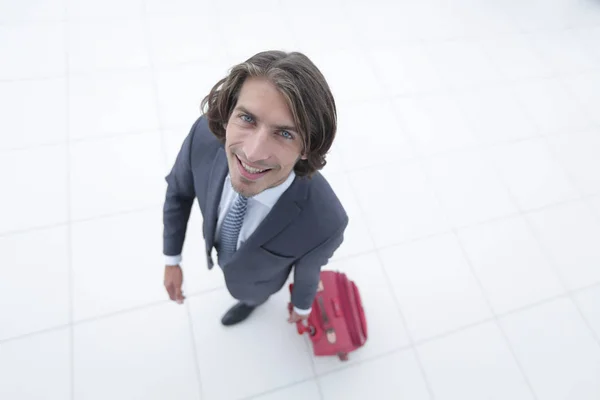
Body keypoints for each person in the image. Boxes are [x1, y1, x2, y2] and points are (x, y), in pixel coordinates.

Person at [162, 50, 348, 326]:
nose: (252, 153)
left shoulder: (326, 221)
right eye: (247, 118)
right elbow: (178, 192)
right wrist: (172, 258)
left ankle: (251, 303)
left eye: (285, 133)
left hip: (257, 285)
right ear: (228, 114)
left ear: (308, 147)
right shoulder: (201, 138)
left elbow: (309, 271)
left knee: (252, 297)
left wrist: (302, 308)